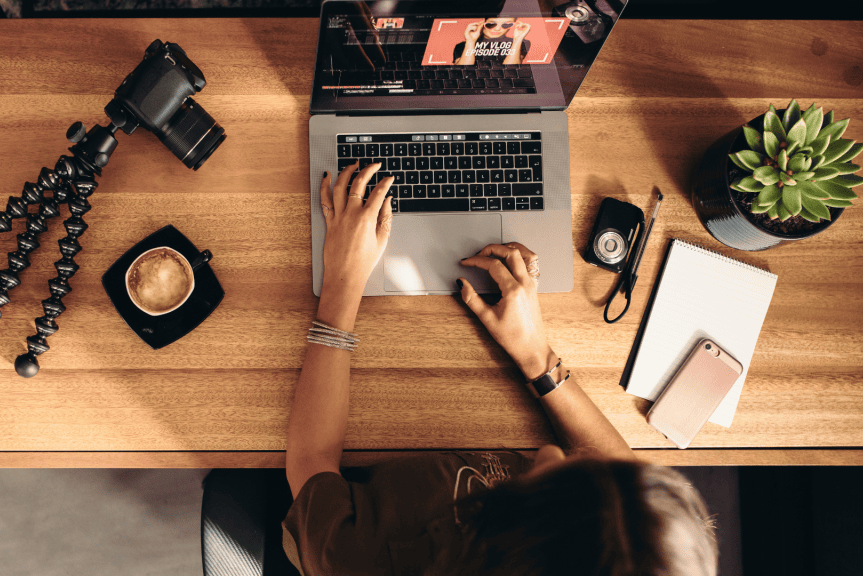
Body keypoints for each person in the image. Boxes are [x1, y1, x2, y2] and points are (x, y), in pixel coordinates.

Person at [284, 162, 718, 575]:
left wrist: (342, 280)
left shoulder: (353, 561)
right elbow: (618, 476)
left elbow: (311, 458)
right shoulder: (651, 554)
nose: (547, 453)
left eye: (543, 483)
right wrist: (538, 359)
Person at [453, 17, 531, 66]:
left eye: (506, 25)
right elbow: (462, 73)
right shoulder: (463, 46)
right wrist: (470, 41)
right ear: (483, 22)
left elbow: (511, 71)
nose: (497, 29)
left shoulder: (521, 43)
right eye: (491, 24)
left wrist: (518, 39)